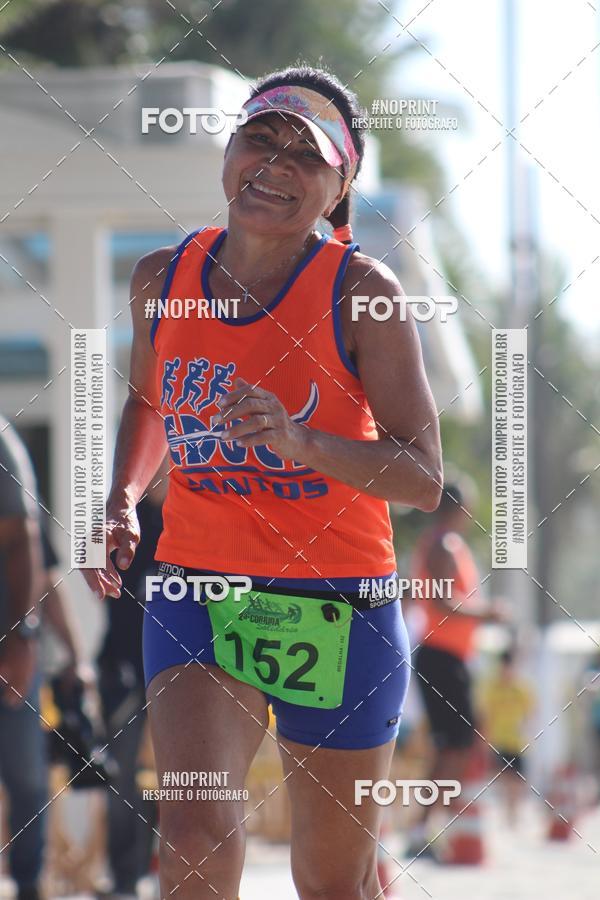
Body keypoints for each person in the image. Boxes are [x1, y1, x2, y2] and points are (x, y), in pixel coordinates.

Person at [82, 63, 443, 900]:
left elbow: (423, 477)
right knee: (194, 830)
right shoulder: (160, 281)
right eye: (260, 139)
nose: (275, 166)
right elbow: (149, 405)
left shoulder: (364, 294)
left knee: (332, 880)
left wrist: (300, 439)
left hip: (339, 604)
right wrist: (125, 496)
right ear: (229, 151)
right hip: (200, 590)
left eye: (304, 156)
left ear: (341, 183)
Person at [406, 480, 506, 856]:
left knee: (455, 743)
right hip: (440, 655)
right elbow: (444, 601)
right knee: (456, 745)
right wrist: (489, 612)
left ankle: (431, 826)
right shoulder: (442, 544)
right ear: (461, 508)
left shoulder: (447, 544)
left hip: (450, 657)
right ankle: (431, 827)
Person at [95, 470, 166, 899]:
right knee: (123, 781)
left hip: (178, 670)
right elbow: (98, 580)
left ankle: (172, 874)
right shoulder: (124, 521)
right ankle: (125, 878)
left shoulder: (188, 518)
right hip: (123, 667)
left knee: (184, 779)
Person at [0, 416, 46, 900]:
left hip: (6, 636)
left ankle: (29, 884)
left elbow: (22, 541)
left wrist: (22, 636)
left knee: (26, 774)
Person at [478, 648, 535, 826]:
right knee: (504, 777)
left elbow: (531, 712)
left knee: (518, 779)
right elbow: (485, 715)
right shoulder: (492, 688)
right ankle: (506, 812)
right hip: (499, 740)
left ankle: (514, 812)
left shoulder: (521, 688)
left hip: (517, 741)